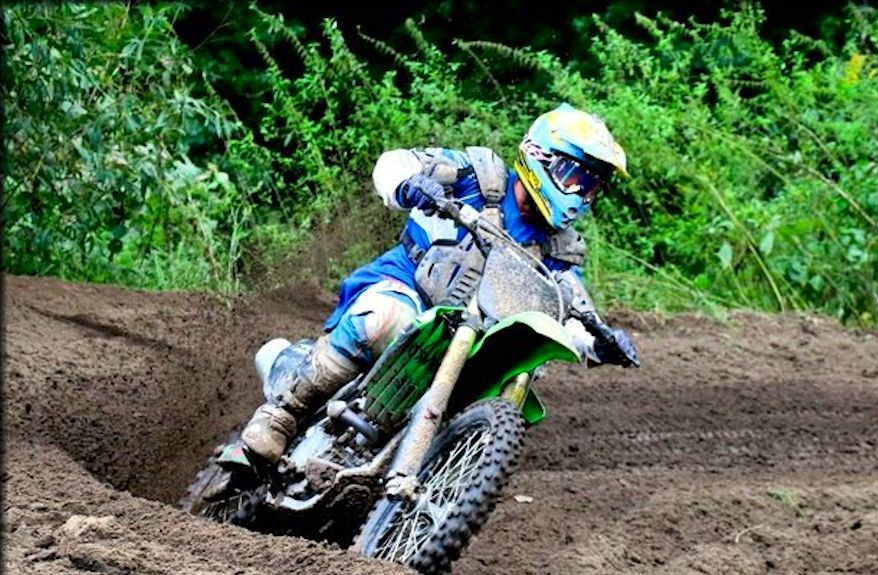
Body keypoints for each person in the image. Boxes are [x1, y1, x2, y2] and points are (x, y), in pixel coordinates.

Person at [241, 102, 640, 465]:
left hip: (475, 338)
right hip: (409, 288)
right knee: (385, 319)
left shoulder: (562, 250)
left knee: (512, 379)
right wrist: (410, 184)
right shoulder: (480, 178)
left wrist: (598, 344)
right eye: (573, 178)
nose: (580, 196)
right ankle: (282, 414)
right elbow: (394, 164)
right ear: (539, 156)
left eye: (591, 188)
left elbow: (565, 312)